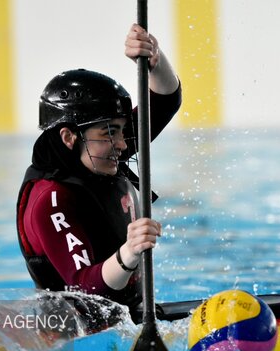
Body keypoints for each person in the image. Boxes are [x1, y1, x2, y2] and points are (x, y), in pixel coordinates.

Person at [16, 24, 181, 321]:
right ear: (69, 137)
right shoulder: (51, 199)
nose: (122, 143)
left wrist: (154, 60)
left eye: (120, 130)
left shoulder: (98, 155)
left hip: (129, 317)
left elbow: (167, 99)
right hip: (75, 334)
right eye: (109, 132)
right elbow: (84, 290)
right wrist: (129, 252)